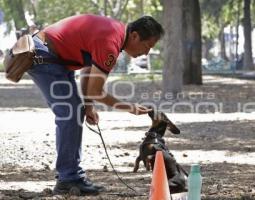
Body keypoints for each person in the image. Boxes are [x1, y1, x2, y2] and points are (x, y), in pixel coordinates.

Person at [27, 14, 164, 195]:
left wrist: (89, 105)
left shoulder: (115, 33)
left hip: (56, 56)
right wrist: (129, 108)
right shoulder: (111, 42)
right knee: (70, 112)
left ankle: (71, 176)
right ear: (135, 36)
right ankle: (68, 178)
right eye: (147, 47)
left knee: (76, 111)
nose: (146, 53)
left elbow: (87, 72)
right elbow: (95, 90)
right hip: (45, 55)